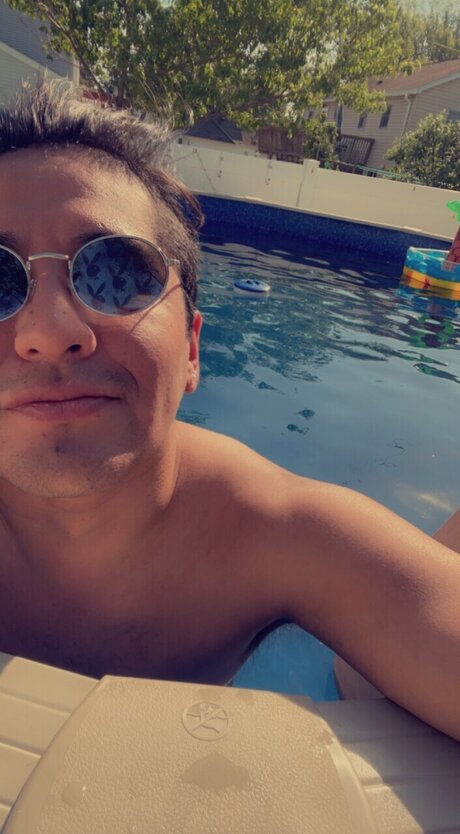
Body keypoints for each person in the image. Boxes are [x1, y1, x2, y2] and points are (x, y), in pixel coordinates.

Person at [0, 80, 459, 741]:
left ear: (192, 349)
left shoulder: (273, 532)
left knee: (363, 683)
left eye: (115, 273)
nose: (47, 331)